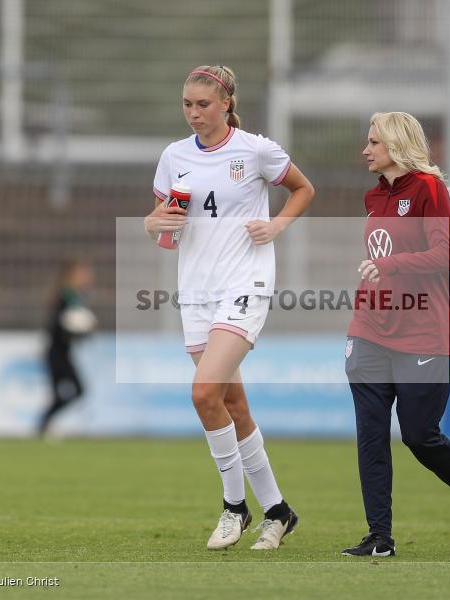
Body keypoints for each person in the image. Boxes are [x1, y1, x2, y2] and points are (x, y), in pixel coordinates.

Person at [144, 65, 315, 550]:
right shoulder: (173, 157)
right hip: (196, 288)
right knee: (230, 403)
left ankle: (234, 507)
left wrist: (277, 225)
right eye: (187, 104)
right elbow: (164, 228)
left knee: (203, 394)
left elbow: (304, 189)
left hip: (246, 281)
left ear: (226, 104)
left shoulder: (256, 149)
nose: (194, 113)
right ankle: (279, 512)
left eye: (203, 104)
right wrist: (152, 223)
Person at [341, 112, 450, 557]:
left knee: (419, 435)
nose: (365, 150)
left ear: (396, 145)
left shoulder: (428, 188)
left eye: (373, 142)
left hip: (422, 331)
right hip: (369, 329)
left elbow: (446, 253)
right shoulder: (373, 196)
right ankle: (380, 538)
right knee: (370, 435)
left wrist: (388, 266)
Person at [39, 259, 97, 437]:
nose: (86, 278)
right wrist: (74, 329)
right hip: (55, 353)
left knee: (74, 391)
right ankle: (43, 425)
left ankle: (44, 425)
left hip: (64, 353)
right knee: (69, 391)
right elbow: (56, 325)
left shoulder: (77, 297)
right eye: (83, 273)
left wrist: (82, 332)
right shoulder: (64, 296)